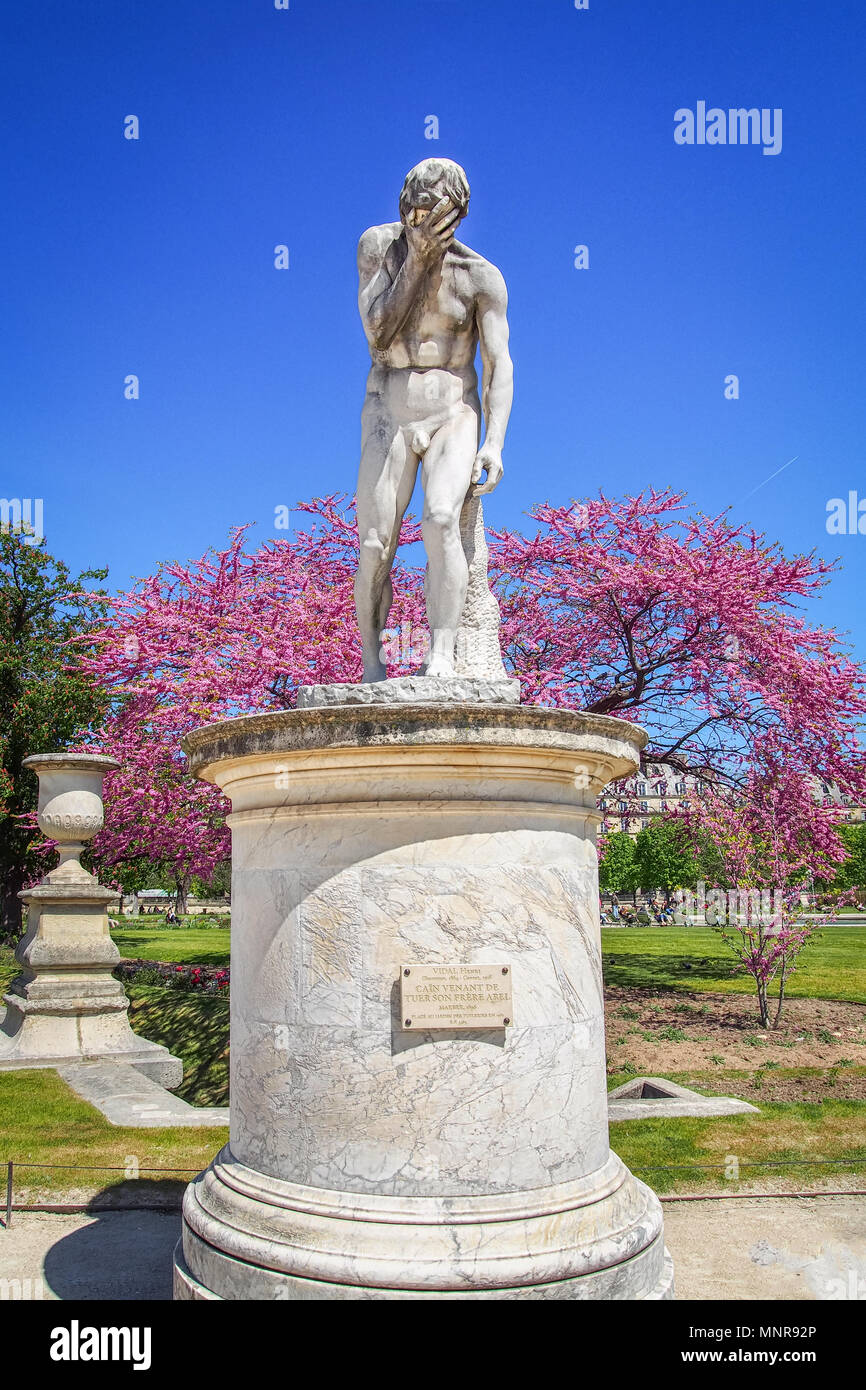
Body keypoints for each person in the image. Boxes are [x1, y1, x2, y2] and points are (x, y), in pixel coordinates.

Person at [354, 158, 514, 680]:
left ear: (458, 213)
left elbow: (498, 364)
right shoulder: (379, 248)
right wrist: (417, 262)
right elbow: (378, 333)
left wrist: (495, 443)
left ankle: (440, 653)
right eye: (416, 208)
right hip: (389, 404)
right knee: (377, 543)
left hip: (454, 409)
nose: (423, 220)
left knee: (441, 519)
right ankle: (372, 662)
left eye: (437, 211)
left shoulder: (480, 277)